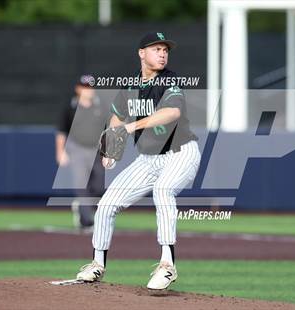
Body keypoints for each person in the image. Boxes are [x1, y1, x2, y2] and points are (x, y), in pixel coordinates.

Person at [76, 32, 201, 290]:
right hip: (148, 159)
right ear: (141, 53)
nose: (163, 53)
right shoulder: (130, 86)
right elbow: (116, 118)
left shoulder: (170, 81)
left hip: (181, 153)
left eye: (165, 49)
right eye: (156, 48)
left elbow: (172, 112)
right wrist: (112, 148)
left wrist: (132, 126)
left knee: (163, 190)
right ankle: (97, 264)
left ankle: (167, 265)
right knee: (107, 204)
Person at [56, 76, 109, 229]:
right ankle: (86, 221)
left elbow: (107, 131)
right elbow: (61, 131)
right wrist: (60, 152)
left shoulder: (100, 106)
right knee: (81, 185)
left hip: (97, 150)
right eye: (86, 87)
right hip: (77, 150)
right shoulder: (71, 107)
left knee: (99, 186)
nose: (89, 90)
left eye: (91, 87)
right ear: (78, 89)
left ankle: (82, 207)